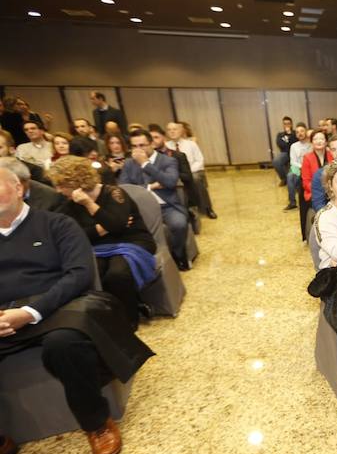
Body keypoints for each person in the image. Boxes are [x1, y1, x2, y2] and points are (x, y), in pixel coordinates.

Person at [0, 167, 154, 454]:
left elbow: (78, 275)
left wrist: (30, 312)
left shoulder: (56, 224)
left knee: (65, 343)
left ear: (19, 189)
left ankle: (97, 424)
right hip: (4, 315)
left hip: (55, 307)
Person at [49, 156, 157, 328]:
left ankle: (129, 320)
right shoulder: (68, 204)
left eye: (62, 185)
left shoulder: (114, 193)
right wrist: (102, 228)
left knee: (117, 274)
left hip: (133, 241)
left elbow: (116, 226)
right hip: (99, 247)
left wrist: (89, 203)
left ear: (77, 182)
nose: (58, 190)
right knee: (95, 272)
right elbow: (76, 234)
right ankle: (112, 316)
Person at [120, 129, 190, 271]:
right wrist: (150, 186)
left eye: (142, 145)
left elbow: (170, 182)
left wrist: (146, 164)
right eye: (134, 146)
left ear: (152, 144)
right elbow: (124, 188)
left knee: (179, 224)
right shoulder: (128, 163)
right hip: (140, 208)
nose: (138, 150)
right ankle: (146, 263)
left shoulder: (168, 160)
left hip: (166, 206)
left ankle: (178, 254)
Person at [166, 121, 216, 219]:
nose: (172, 132)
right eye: (169, 130)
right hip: (174, 173)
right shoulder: (165, 146)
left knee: (195, 179)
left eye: (174, 129)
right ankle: (184, 210)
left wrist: (188, 172)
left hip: (192, 171)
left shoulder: (191, 144)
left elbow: (199, 160)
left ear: (181, 131)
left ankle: (207, 208)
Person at [300, 129, 331, 236]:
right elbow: (306, 182)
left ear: (326, 142)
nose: (318, 141)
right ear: (311, 142)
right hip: (313, 193)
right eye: (315, 139)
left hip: (332, 191)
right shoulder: (307, 158)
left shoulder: (332, 155)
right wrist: (321, 191)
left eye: (321, 138)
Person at [286, 123, 311, 211]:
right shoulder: (294, 146)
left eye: (302, 131)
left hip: (309, 168)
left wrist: (305, 168)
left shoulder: (311, 144)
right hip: (297, 167)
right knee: (290, 176)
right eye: (297, 132)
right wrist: (302, 167)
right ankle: (292, 203)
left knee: (299, 180)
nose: (300, 133)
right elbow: (293, 161)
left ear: (306, 132)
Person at [273, 116, 296, 187]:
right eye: (285, 124)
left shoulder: (295, 133)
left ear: (291, 124)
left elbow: (295, 143)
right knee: (276, 161)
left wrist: (290, 135)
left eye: (288, 123)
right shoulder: (280, 135)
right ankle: (284, 179)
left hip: (295, 153)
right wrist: (288, 144)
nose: (287, 125)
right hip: (285, 153)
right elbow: (280, 145)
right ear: (283, 125)